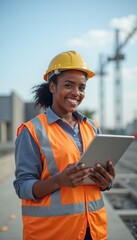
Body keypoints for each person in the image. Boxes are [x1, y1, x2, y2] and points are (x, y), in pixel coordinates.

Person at [13, 50, 115, 240]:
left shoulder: (92, 127)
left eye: (82, 87)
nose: (76, 93)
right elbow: (22, 186)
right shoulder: (32, 130)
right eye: (69, 85)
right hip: (52, 233)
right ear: (53, 87)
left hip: (92, 230)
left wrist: (106, 181)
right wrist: (59, 181)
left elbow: (97, 184)